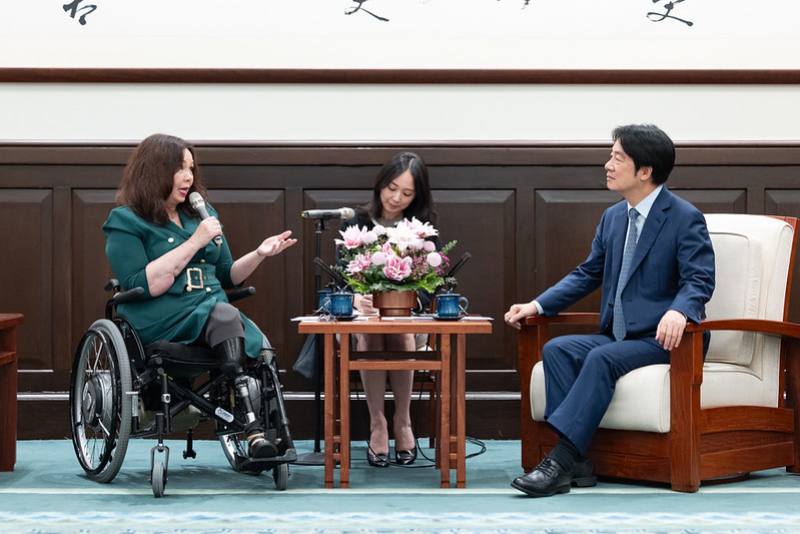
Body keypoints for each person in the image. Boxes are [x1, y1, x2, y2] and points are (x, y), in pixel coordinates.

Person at [504, 124, 715, 497]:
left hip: (664, 339)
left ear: (645, 171)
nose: (607, 165)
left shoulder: (684, 217)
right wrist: (537, 304)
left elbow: (699, 280)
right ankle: (581, 464)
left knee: (601, 358)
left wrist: (680, 311)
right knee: (557, 350)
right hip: (617, 335)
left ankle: (560, 461)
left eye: (617, 158)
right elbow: (587, 274)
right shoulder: (614, 218)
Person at [103, 133, 297, 459]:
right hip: (163, 317)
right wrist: (194, 242)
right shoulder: (126, 220)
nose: (189, 177)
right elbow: (145, 283)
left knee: (238, 327)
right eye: (180, 168)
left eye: (191, 168)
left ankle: (263, 436)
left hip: (213, 315)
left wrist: (261, 253)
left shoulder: (201, 214)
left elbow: (227, 274)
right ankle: (251, 428)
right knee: (222, 313)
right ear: (154, 171)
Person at [338, 152, 437, 467]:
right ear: (380, 185)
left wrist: (407, 300)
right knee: (371, 335)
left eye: (407, 193)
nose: (396, 198)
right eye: (392, 188)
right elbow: (340, 275)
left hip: (406, 320)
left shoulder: (421, 227)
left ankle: (403, 420)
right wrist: (356, 298)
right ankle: (378, 422)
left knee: (400, 332)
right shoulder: (356, 222)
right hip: (362, 321)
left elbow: (428, 284)